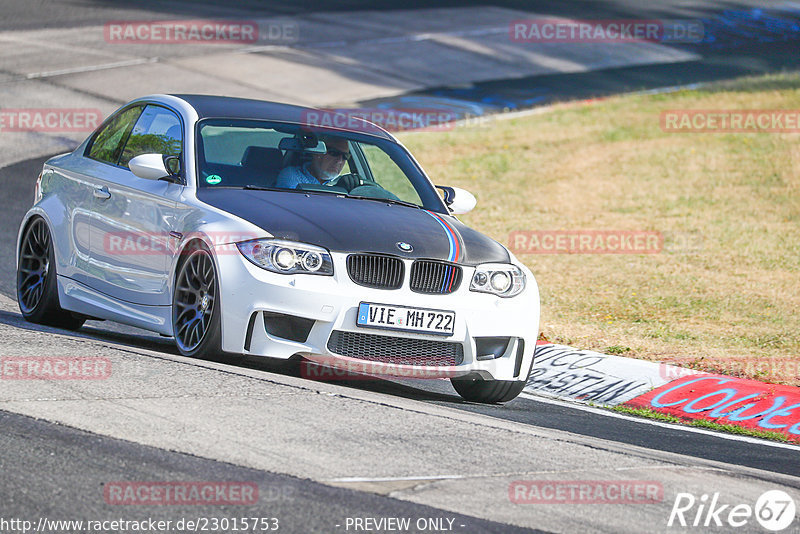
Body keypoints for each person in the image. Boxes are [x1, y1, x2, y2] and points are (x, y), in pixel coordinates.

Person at [275, 136, 351, 189]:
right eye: (334, 153)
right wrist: (336, 190)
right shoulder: (292, 175)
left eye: (345, 156)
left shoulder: (344, 182)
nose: (340, 161)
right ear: (317, 152)